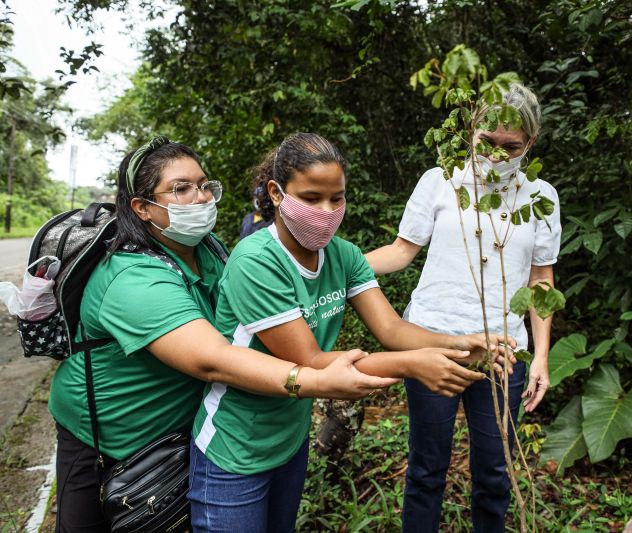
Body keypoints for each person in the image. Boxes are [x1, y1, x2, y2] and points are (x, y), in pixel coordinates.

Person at [48, 136, 397, 533]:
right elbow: (211, 358)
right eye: (181, 189)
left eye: (203, 185)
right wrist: (312, 378)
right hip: (110, 433)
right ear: (142, 208)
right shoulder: (132, 279)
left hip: (182, 428)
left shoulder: (208, 251)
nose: (199, 198)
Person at [188, 132, 511, 532]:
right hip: (234, 446)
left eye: (336, 198)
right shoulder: (256, 261)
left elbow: (391, 328)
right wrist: (414, 365)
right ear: (275, 193)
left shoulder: (344, 255)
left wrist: (461, 344)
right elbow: (310, 362)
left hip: (289, 440)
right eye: (310, 198)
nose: (326, 210)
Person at [365, 84, 562, 532]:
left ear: (529, 144)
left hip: (503, 352)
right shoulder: (440, 181)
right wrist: (336, 269)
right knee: (426, 468)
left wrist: (542, 360)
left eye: (510, 147)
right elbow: (400, 252)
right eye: (486, 142)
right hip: (433, 342)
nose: (496, 156)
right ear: (470, 131)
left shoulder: (540, 197)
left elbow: (542, 282)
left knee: (495, 473)